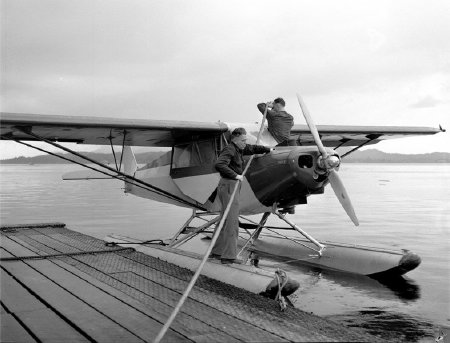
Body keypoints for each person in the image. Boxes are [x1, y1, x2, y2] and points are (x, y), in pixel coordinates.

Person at [211, 127, 271, 264]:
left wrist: (267, 150)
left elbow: (251, 148)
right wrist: (235, 175)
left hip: (231, 185)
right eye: (243, 140)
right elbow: (219, 164)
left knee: (225, 220)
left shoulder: (239, 148)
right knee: (232, 222)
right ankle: (228, 257)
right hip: (229, 185)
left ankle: (217, 252)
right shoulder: (230, 149)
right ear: (236, 139)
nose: (245, 142)